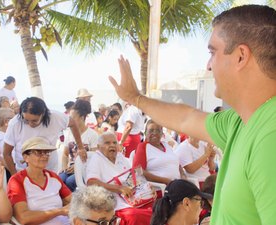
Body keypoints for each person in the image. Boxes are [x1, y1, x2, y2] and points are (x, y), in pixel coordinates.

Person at [109, 5, 276, 224]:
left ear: (240, 56)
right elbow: (185, 118)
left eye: (212, 52)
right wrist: (136, 98)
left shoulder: (269, 135)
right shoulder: (241, 121)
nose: (208, 66)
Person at [3, 97, 85, 176]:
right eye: (26, 120)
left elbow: (73, 123)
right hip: (23, 170)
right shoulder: (15, 123)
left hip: (49, 169)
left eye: (34, 121)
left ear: (43, 114)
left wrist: (80, 147)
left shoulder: (55, 117)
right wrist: (15, 175)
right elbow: (6, 153)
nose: (30, 124)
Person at [86, 132, 153, 225]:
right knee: (135, 215)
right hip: (113, 202)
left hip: (133, 197)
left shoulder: (120, 157)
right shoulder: (96, 159)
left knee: (156, 209)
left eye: (114, 143)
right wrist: (119, 188)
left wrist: (147, 189)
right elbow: (91, 182)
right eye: (107, 143)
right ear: (98, 146)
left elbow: (134, 176)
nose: (112, 146)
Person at [7, 137, 71, 225]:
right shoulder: (17, 180)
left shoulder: (53, 176)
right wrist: (59, 211)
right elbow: (23, 217)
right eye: (38, 152)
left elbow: (73, 201)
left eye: (46, 152)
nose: (44, 156)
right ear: (26, 157)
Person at [60, 99, 98, 191]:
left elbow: (94, 158)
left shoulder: (92, 135)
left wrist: (76, 167)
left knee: (70, 182)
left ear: (82, 117)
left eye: (72, 118)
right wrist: (64, 167)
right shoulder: (69, 133)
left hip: (85, 169)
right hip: (70, 169)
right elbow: (65, 155)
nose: (70, 120)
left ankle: (74, 202)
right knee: (60, 180)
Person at [133, 119, 183, 187]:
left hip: (178, 184)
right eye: (151, 130)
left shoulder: (167, 145)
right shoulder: (143, 146)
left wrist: (183, 177)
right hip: (161, 187)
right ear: (145, 133)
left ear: (162, 133)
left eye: (158, 130)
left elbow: (178, 165)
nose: (155, 133)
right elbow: (137, 170)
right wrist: (166, 181)